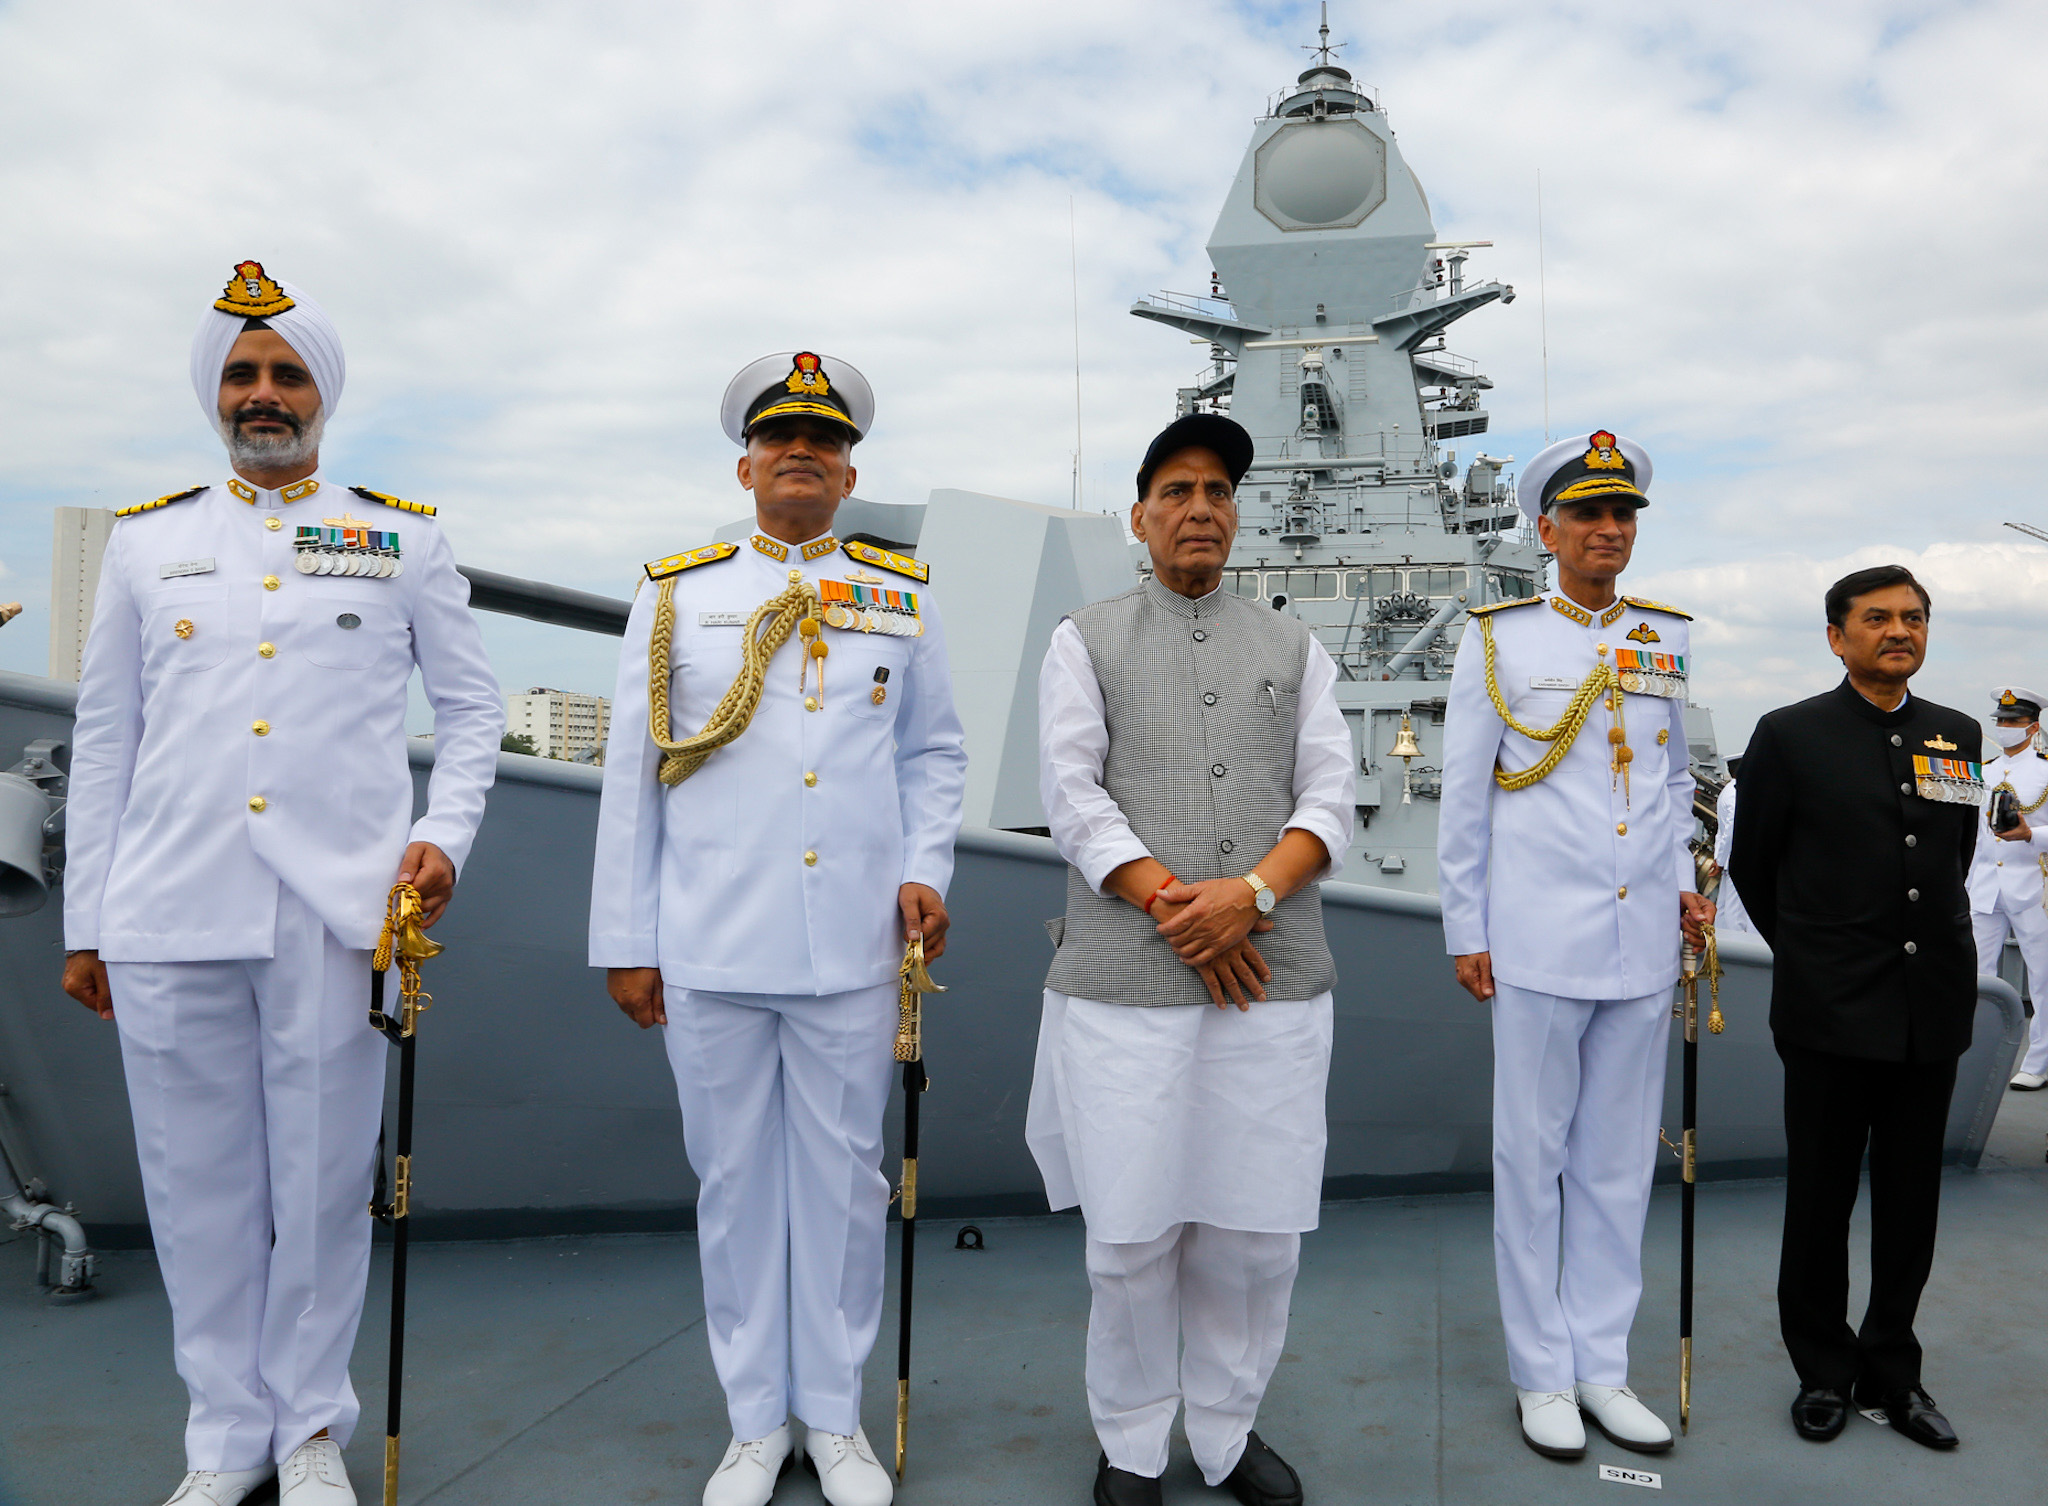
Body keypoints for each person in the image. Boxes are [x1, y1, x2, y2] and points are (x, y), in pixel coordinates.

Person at [60, 261, 504, 1506]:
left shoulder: (401, 536)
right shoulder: (149, 544)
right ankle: (222, 1440)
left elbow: (472, 713)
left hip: (337, 912)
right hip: (168, 904)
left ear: (323, 393)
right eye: (245, 375)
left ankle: (309, 1431)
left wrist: (445, 837)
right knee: (194, 1187)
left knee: (317, 1183)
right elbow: (108, 738)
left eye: (287, 373)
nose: (265, 394)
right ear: (217, 394)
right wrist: (88, 918)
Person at [589, 352, 967, 1506]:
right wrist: (627, 939)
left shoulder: (900, 598)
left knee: (847, 1187)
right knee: (736, 1186)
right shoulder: (675, 593)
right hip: (710, 942)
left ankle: (836, 1418)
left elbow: (932, 753)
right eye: (780, 437)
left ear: (850, 470)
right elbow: (630, 776)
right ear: (745, 463)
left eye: (824, 438)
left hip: (852, 946)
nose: (801, 452)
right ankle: (754, 1422)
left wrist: (923, 868)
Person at [1026, 413, 1354, 1506]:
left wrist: (1249, 895)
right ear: (1140, 517)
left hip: (1272, 976)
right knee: (1130, 1233)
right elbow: (1070, 797)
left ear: (1235, 513)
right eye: (1176, 490)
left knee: (1252, 1235)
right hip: (1127, 982)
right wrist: (1178, 907)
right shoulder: (1084, 637)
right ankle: (1129, 1443)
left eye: (1216, 489)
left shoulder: (1293, 647)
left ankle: (1224, 1432)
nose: (1199, 507)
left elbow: (1328, 799)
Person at [1438, 429, 1710, 1461]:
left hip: (1639, 939)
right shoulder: (1500, 638)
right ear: (1543, 529)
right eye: (1588, 515)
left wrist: (1683, 890)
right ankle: (1538, 1372)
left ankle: (1601, 1365)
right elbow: (1464, 796)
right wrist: (1466, 928)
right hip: (1537, 940)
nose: (1608, 531)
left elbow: (1674, 782)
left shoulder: (1666, 639)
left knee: (1611, 1166)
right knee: (1531, 1156)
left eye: (1621, 515)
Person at [1728, 564, 1975, 1451]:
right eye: (1877, 619)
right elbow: (1755, 868)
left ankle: (1895, 1374)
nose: (1898, 631)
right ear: (1837, 636)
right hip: (1829, 1009)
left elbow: (1956, 854)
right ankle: (1825, 1371)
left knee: (1912, 1203)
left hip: (1931, 1008)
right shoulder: (1790, 736)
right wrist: (1817, 956)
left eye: (1913, 618)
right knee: (1821, 1197)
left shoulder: (1957, 733)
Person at [1966, 686, 2048, 1089]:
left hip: (2036, 885)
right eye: (2000, 721)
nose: (2005, 728)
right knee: (1975, 974)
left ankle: (2038, 1063)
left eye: (2013, 722)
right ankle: (1971, 1051)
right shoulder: (1986, 769)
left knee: (2043, 975)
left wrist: (2031, 835)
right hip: (1985, 886)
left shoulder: (2047, 769)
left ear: (2033, 727)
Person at [1710, 758, 1754, 934]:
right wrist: (1720, 860)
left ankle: (1720, 946)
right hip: (1735, 859)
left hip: (1728, 859)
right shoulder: (1736, 792)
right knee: (1738, 912)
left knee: (1723, 907)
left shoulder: (1727, 791)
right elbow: (1731, 829)